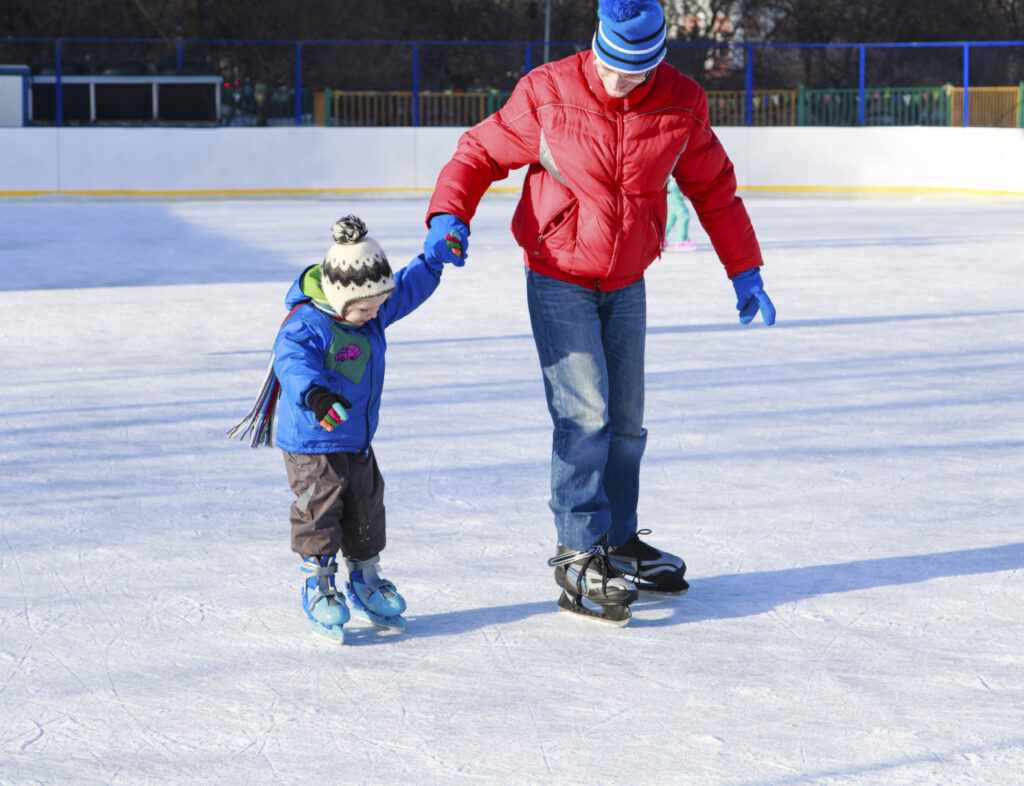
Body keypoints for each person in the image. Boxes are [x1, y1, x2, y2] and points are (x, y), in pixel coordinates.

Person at [423, 0, 776, 625]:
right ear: (596, 45)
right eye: (610, 66)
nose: (618, 82)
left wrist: (744, 269)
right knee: (584, 416)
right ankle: (578, 553)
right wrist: (450, 214)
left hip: (627, 278)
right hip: (558, 273)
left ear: (657, 64)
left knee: (627, 421)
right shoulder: (548, 92)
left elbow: (715, 188)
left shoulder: (681, 103)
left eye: (634, 73)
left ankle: (616, 539)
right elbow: (477, 153)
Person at [229, 215, 461, 642]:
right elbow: (292, 361)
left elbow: (404, 290)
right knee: (319, 509)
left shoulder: (367, 308)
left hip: (355, 437)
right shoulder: (308, 323)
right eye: (367, 309)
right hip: (312, 441)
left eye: (378, 306)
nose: (376, 315)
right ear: (339, 298)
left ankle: (365, 578)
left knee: (367, 504)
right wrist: (316, 395)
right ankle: (318, 585)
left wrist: (433, 261)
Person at [664, 178, 696, 251]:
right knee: (683, 215)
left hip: (670, 186)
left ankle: (660, 239)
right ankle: (681, 241)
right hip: (673, 184)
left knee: (670, 219)